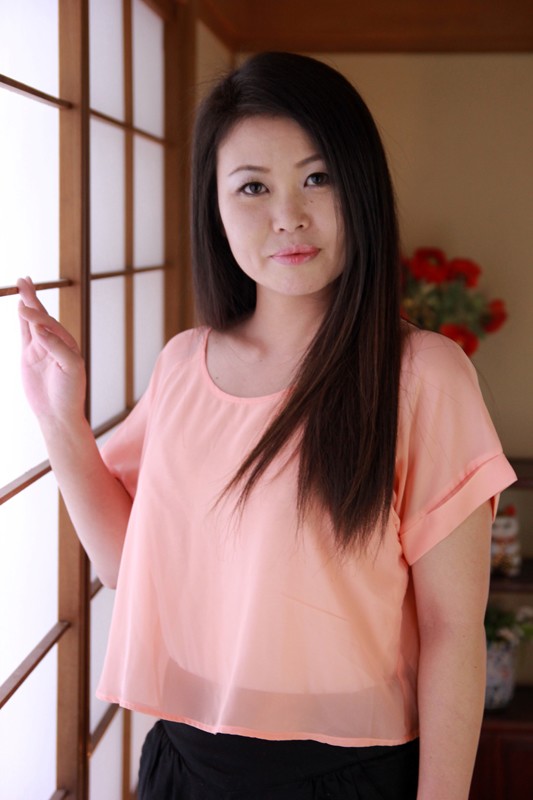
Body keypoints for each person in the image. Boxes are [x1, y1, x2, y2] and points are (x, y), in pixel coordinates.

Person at [17, 52, 516, 800]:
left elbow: (452, 629)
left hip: (348, 776)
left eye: (318, 178)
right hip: (183, 765)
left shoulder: (423, 375)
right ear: (214, 206)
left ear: (361, 188)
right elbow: (129, 566)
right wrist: (60, 420)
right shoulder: (183, 365)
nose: (288, 215)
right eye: (252, 186)